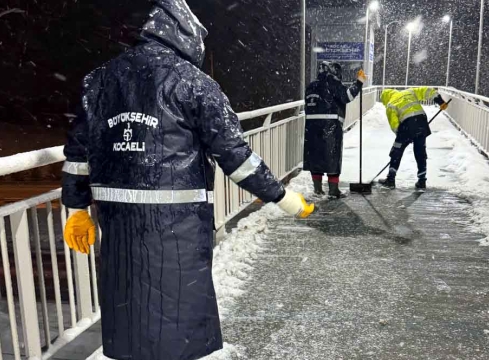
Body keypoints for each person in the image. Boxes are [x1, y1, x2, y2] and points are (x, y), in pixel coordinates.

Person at [60, 1, 314, 360]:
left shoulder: (99, 81)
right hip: (176, 227)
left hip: (117, 225)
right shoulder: (193, 83)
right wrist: (281, 196)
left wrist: (76, 208)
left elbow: (77, 154)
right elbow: (235, 156)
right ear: (185, 34)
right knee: (178, 317)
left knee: (129, 312)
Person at [303, 62, 366, 198]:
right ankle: (333, 191)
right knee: (332, 157)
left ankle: (318, 189)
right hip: (330, 126)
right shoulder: (333, 84)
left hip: (311, 128)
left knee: (316, 158)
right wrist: (359, 82)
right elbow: (347, 96)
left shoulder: (311, 86)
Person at [378, 87, 449, 190]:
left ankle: (391, 179)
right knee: (420, 152)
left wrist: (404, 137)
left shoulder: (390, 105)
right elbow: (428, 91)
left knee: (396, 151)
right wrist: (440, 101)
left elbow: (394, 125)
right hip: (421, 121)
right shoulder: (409, 92)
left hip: (407, 125)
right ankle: (422, 181)